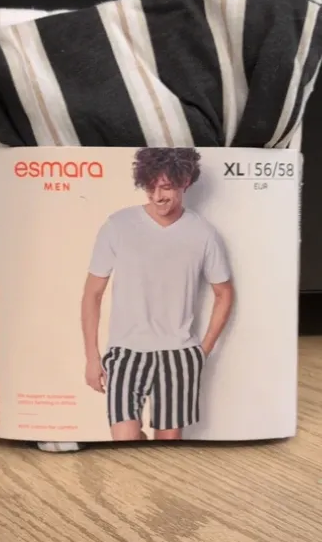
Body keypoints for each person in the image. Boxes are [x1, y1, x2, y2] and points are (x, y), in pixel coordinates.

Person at [81, 148, 234, 441]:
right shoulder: (118, 225)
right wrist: (91, 357)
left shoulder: (203, 234)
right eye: (150, 187)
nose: (156, 196)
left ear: (185, 181)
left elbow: (224, 293)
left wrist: (201, 352)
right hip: (125, 353)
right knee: (124, 441)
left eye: (165, 187)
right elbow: (92, 294)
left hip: (178, 355)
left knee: (167, 448)